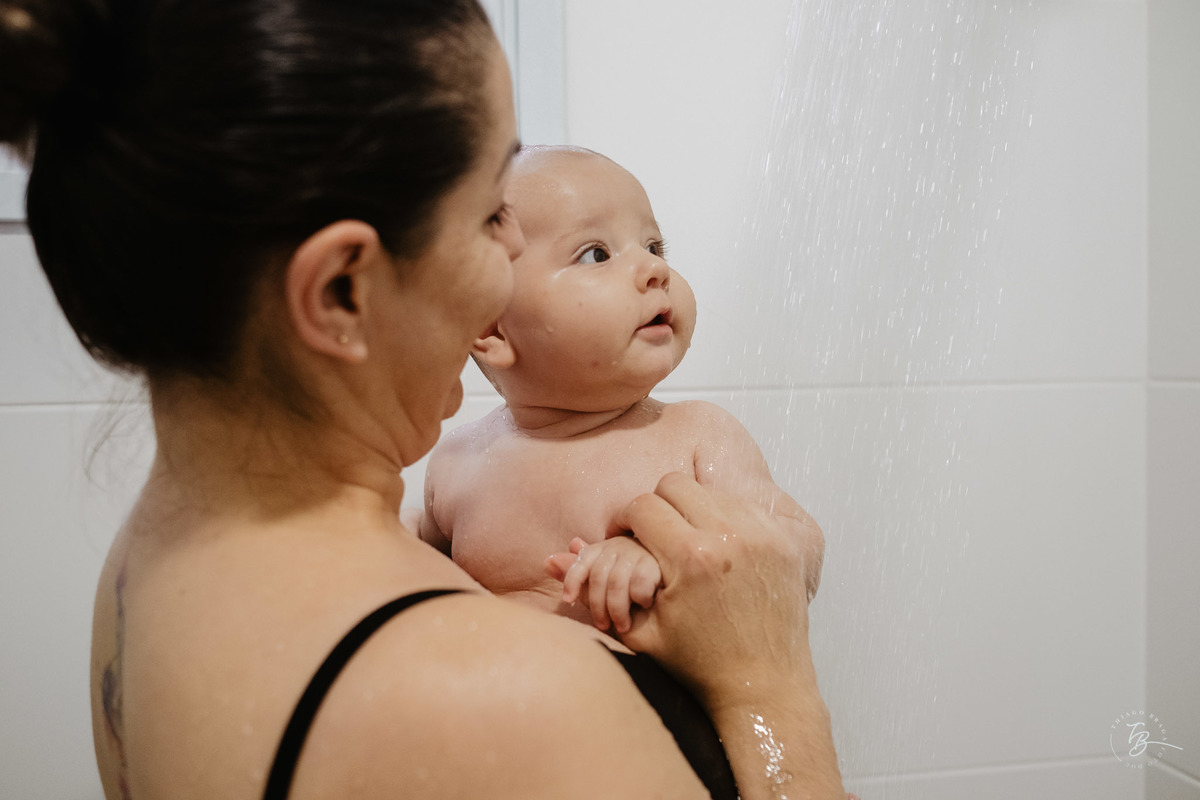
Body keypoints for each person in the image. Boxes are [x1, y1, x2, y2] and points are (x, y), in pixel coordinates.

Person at [1, 1, 848, 798]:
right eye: (489, 213)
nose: (512, 248)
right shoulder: (507, 700)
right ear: (340, 291)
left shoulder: (151, 563)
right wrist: (768, 691)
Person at [415, 145, 822, 636]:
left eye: (654, 247)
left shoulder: (697, 437)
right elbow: (418, 573)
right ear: (492, 328)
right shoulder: (459, 463)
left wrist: (666, 557)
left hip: (650, 707)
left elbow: (799, 546)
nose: (656, 270)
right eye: (597, 254)